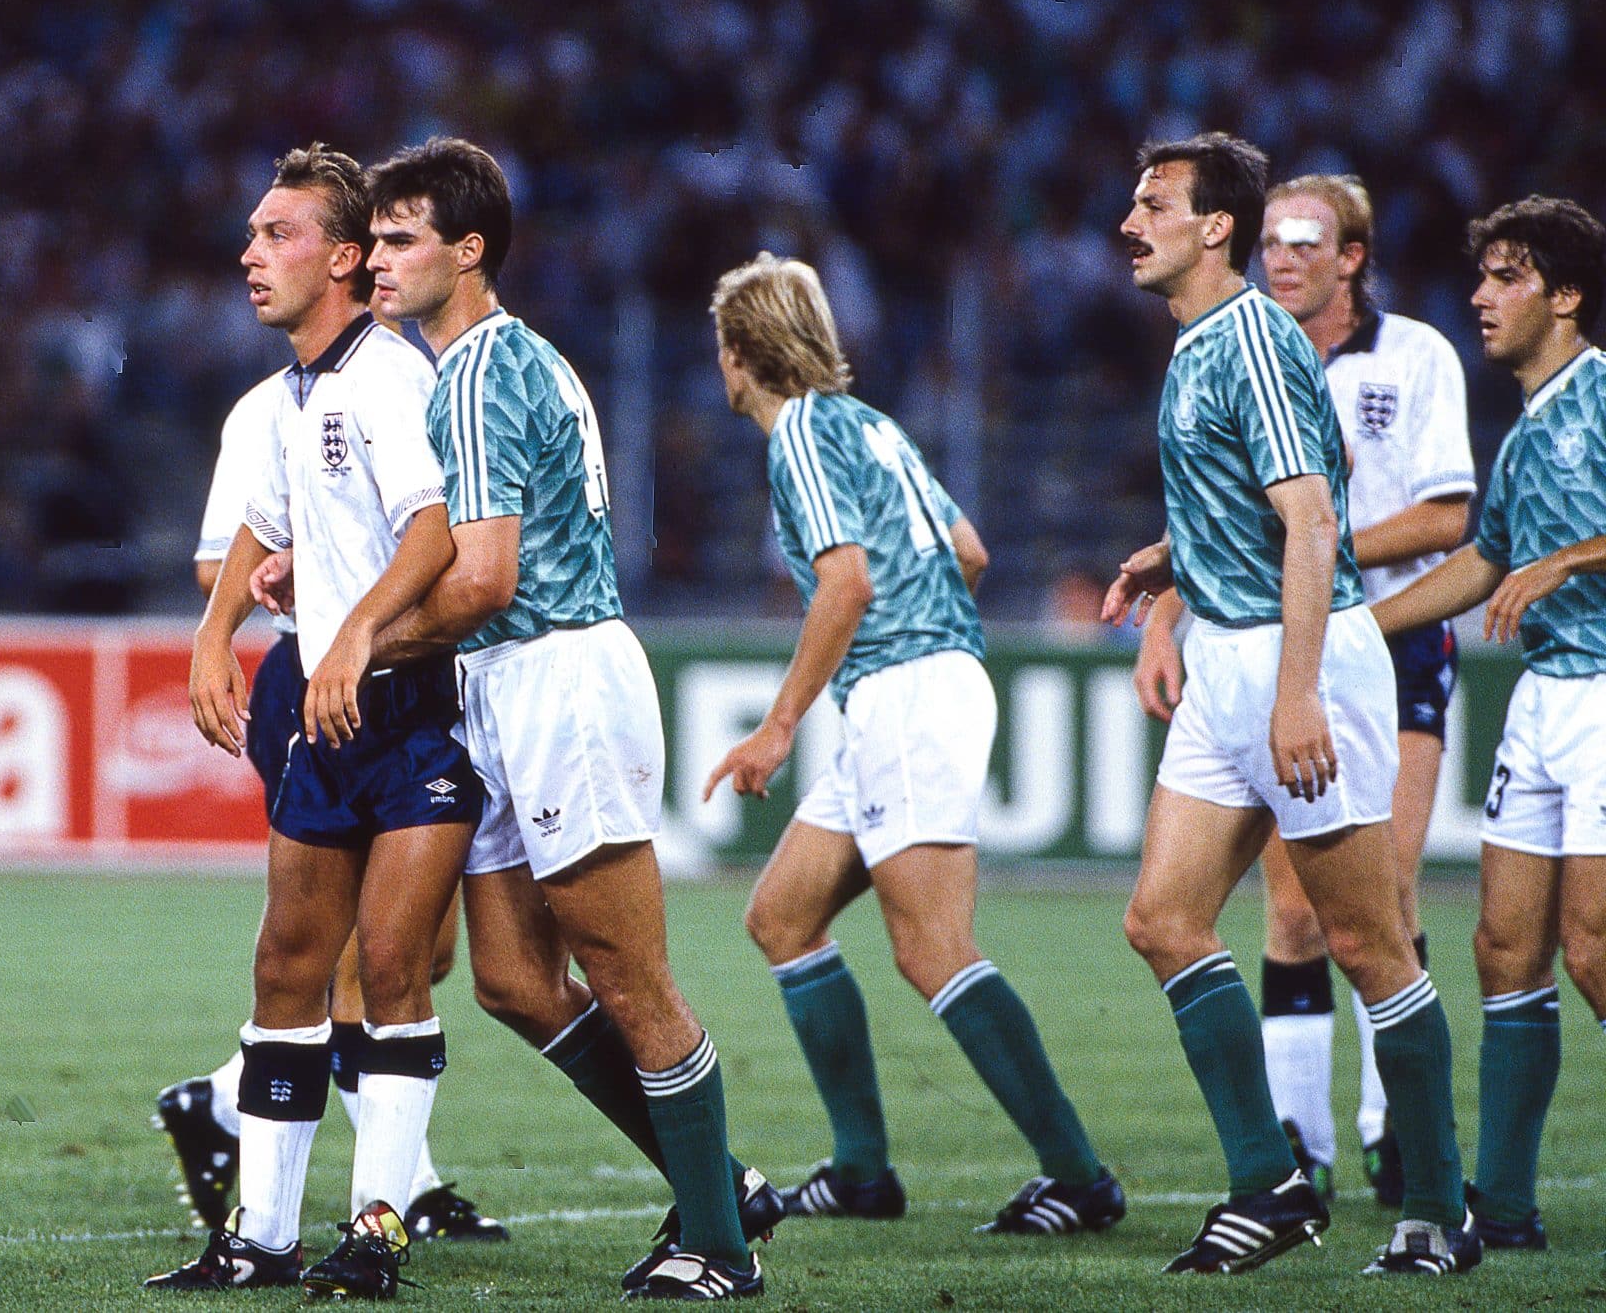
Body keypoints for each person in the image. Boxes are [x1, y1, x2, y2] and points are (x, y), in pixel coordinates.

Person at [340, 136, 769, 1300]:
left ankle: (722, 1247)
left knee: (629, 979)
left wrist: (358, 645)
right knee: (515, 983)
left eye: (399, 239)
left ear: (467, 250)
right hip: (510, 686)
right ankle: (721, 1186)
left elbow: (482, 580)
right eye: (371, 239)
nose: (374, 261)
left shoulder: (476, 369)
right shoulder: (504, 360)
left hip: (555, 679)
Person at [1104, 132, 1474, 1276]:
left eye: (1153, 203)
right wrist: (1170, 561)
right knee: (1162, 922)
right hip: (1228, 658)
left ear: (1214, 227)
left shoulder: (1251, 339)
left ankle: (1439, 1214)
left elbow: (1316, 521)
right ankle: (1269, 1184)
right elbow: (1274, 497)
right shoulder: (1202, 344)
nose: (1129, 222)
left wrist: (1299, 689)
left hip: (1292, 662)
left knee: (1366, 942)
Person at [703, 252, 1125, 1237]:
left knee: (931, 949)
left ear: (739, 353)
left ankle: (1075, 1176)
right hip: (909, 689)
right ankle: (859, 1173)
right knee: (781, 916)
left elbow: (844, 583)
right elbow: (966, 549)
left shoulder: (799, 432)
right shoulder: (871, 427)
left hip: (903, 694)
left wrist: (776, 726)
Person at [148, 143, 485, 1298]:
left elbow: (433, 533)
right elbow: (253, 527)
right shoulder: (294, 393)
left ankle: (380, 1227)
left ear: (343, 258)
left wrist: (350, 634)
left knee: (393, 967)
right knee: (288, 968)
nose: (250, 255)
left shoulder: (384, 377)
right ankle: (261, 1237)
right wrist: (213, 635)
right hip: (327, 716)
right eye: (251, 234)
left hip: (409, 709)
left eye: (277, 235)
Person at [1370, 195, 1606, 1254]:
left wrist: (1564, 559)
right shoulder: (1519, 431)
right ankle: (1503, 1207)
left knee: (1592, 949)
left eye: (1505, 276)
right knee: (1503, 948)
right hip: (1542, 699)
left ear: (1563, 296)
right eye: (1480, 275)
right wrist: (1352, 627)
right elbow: (1480, 560)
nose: (1478, 295)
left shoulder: (1601, 393)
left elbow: (1534, 557)